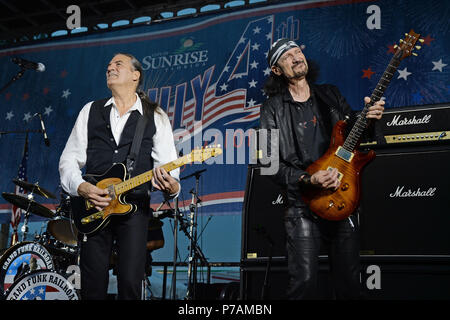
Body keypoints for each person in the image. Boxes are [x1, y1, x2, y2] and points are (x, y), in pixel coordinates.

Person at [259, 39, 385, 299]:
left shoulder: (331, 94)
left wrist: (370, 120)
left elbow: (355, 137)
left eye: (297, 52)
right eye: (287, 57)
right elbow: (267, 164)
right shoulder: (270, 108)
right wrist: (308, 178)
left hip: (342, 198)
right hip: (301, 207)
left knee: (350, 282)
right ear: (277, 71)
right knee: (304, 283)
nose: (296, 58)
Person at [59, 53, 180, 300]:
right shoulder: (90, 110)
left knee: (130, 280)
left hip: (134, 207)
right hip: (94, 205)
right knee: (92, 281)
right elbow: (68, 159)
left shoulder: (155, 115)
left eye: (118, 64)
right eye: (108, 65)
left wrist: (172, 185)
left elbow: (168, 167)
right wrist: (82, 187)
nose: (110, 67)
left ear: (135, 76)